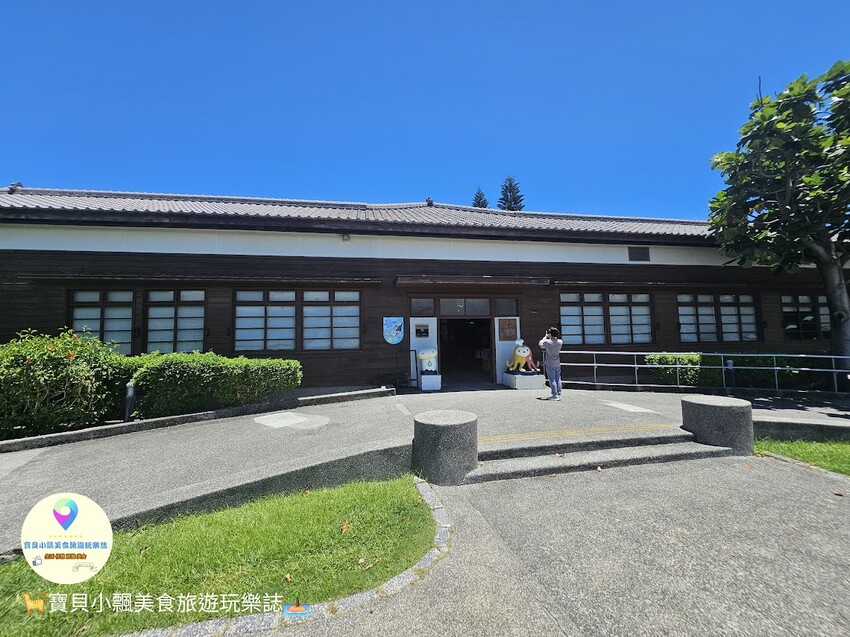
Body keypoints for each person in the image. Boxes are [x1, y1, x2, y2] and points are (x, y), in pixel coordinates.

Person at [538, 327, 563, 401]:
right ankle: (558, 392)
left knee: (552, 379)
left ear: (550, 333)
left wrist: (545, 337)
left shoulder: (547, 342)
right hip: (557, 362)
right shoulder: (560, 342)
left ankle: (554, 395)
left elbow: (540, 344)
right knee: (558, 378)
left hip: (549, 362)